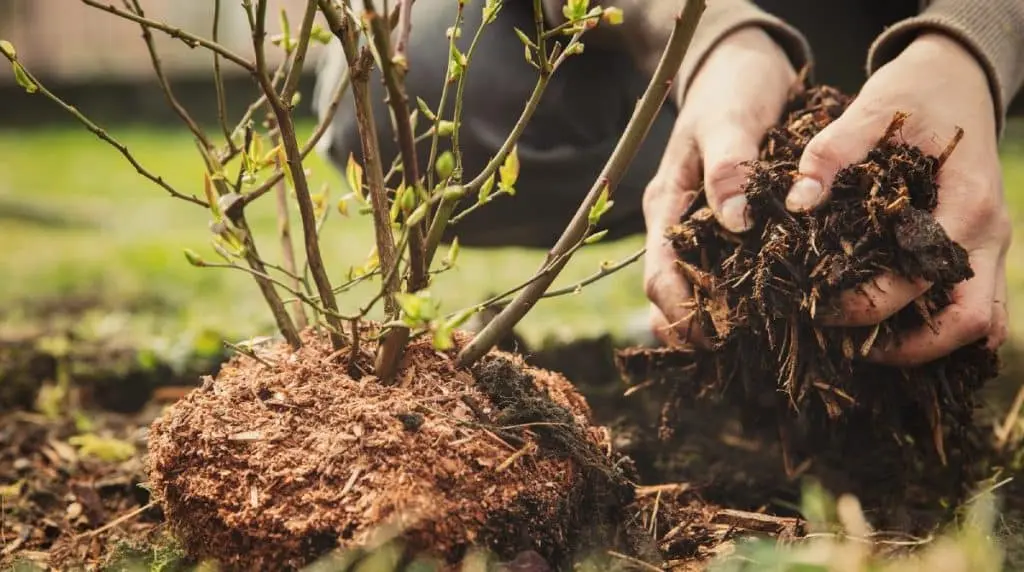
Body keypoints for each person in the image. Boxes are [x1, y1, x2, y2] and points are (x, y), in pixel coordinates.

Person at [314, 0, 1023, 363]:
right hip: (717, 27)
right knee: (390, 83)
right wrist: (708, 35)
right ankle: (749, 306)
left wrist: (973, 42)